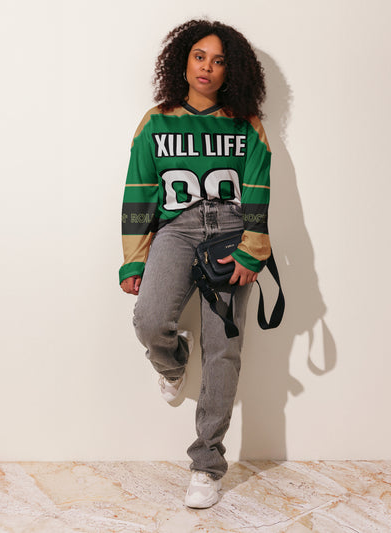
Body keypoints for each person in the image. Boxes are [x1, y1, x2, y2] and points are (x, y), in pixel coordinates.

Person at [119, 19, 271, 509]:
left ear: (232, 71)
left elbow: (258, 187)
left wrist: (252, 248)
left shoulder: (245, 123)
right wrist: (133, 260)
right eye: (199, 56)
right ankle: (173, 361)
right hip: (176, 229)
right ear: (182, 61)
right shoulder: (156, 121)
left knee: (223, 347)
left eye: (219, 60)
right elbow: (139, 189)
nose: (207, 67)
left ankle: (207, 464)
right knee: (149, 320)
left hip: (230, 231)